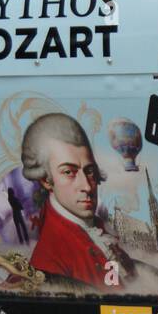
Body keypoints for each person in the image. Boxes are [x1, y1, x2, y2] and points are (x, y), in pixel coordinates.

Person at [21, 112, 134, 288]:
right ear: (46, 180)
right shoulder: (49, 259)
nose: (88, 187)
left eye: (89, 171)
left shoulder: (98, 228)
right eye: (68, 172)